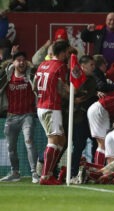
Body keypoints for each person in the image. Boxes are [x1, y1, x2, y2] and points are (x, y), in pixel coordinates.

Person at [34, 40, 70, 185]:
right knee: (54, 140)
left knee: (61, 140)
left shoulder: (43, 64)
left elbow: (35, 85)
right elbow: (62, 88)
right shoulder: (61, 66)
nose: (68, 55)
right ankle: (45, 176)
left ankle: (49, 173)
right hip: (51, 107)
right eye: (67, 53)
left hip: (42, 105)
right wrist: (74, 94)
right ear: (62, 53)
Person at [0, 51, 38, 183]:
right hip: (11, 116)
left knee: (29, 142)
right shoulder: (6, 76)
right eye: (18, 60)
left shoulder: (32, 75)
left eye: (23, 60)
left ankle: (34, 173)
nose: (21, 63)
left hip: (27, 115)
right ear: (13, 62)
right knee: (10, 147)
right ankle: (15, 173)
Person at [70, 55, 98, 180]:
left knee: (96, 143)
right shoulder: (72, 79)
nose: (94, 67)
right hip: (79, 119)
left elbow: (86, 95)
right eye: (91, 65)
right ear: (83, 66)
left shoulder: (92, 80)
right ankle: (72, 173)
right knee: (78, 146)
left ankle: (94, 171)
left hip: (91, 120)